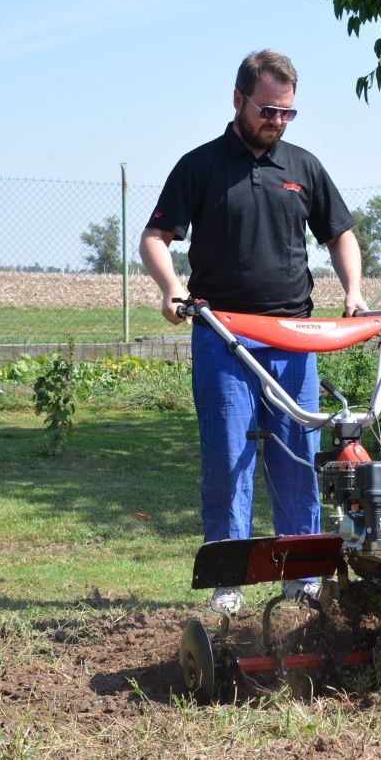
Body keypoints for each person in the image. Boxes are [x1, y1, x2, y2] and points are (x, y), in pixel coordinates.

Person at [139, 49, 367, 616]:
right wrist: (171, 289)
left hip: (294, 335)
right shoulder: (200, 166)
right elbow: (154, 238)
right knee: (228, 458)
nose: (278, 121)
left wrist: (354, 292)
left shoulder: (304, 167)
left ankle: (303, 575)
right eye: (268, 109)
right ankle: (229, 579)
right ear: (238, 99)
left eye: (289, 113)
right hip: (223, 334)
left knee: (297, 457)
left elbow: (340, 235)